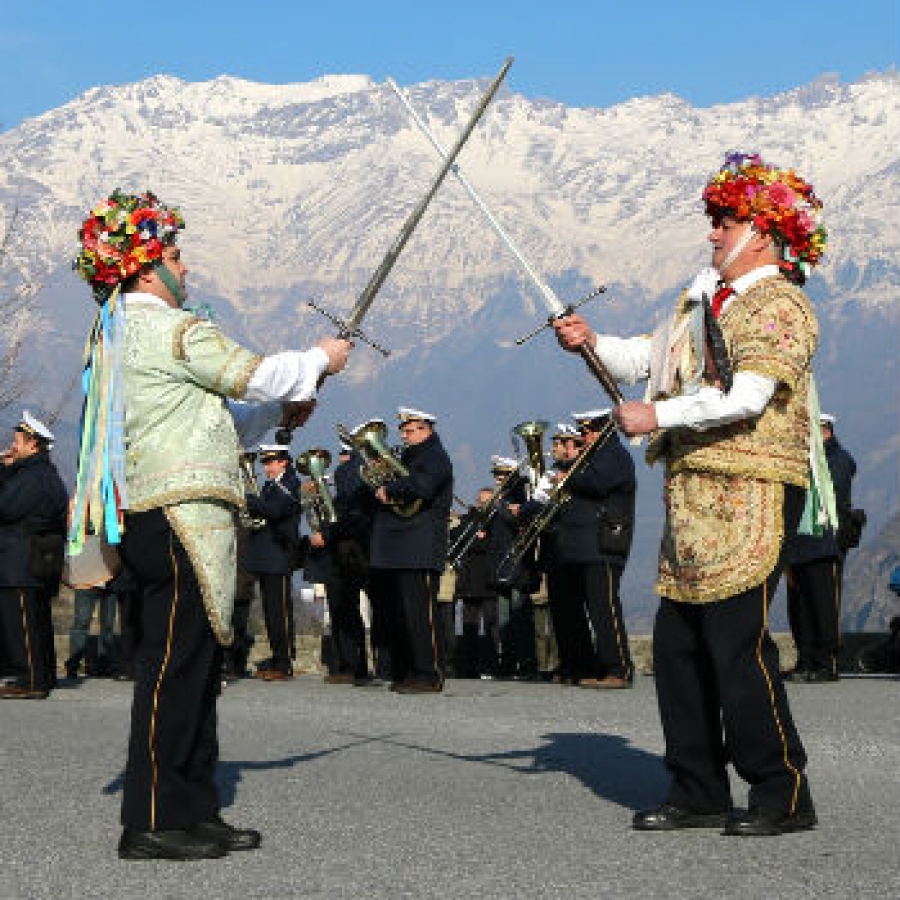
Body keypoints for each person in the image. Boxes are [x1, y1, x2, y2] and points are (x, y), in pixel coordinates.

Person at [71, 190, 351, 860]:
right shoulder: (174, 329)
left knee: (194, 665)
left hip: (155, 518)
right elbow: (254, 375)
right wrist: (318, 360)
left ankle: (193, 806)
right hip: (179, 523)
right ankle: (153, 820)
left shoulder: (118, 337)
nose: (186, 267)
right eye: (175, 254)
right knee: (173, 668)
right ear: (144, 267)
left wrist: (281, 419)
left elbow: (208, 419)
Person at [554, 152, 826, 836]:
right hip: (692, 492)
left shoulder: (781, 303)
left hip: (754, 489)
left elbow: (749, 395)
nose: (712, 232)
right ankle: (698, 787)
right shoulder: (699, 301)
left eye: (725, 220)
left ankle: (781, 792)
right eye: (713, 220)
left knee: (738, 644)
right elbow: (648, 363)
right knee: (679, 647)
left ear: (761, 231)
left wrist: (658, 417)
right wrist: (589, 344)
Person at [368, 407, 453, 693]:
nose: (405, 435)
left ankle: (430, 674)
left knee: (422, 616)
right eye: (403, 431)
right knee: (403, 614)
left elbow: (424, 486)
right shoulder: (409, 456)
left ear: (427, 429)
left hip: (421, 543)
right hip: (402, 545)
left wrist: (391, 491)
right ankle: (410, 671)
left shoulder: (435, 456)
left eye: (411, 430)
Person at [559, 410, 636, 689]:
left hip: (603, 543)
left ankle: (619, 668)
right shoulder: (596, 456)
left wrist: (567, 479)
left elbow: (597, 484)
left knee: (605, 607)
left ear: (600, 430)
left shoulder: (612, 455)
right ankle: (600, 666)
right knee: (594, 607)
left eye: (587, 432)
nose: (583, 437)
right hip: (588, 544)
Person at [783, 412, 857, 682]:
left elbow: (832, 492)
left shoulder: (837, 459)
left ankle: (827, 662)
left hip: (823, 543)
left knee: (825, 605)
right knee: (799, 606)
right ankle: (806, 659)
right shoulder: (803, 460)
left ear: (825, 430)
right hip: (797, 544)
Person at [0, 412, 68, 699]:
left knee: (23, 624)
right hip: (34, 558)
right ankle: (44, 674)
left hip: (21, 558)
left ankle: (31, 679)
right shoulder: (44, 473)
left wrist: (5, 471)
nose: (12, 447)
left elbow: (5, 507)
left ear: (33, 445)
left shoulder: (32, 476)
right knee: (37, 620)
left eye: (18, 442)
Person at [309, 440, 374, 684]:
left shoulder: (352, 478)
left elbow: (349, 519)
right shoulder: (342, 492)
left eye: (344, 455)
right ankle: (346, 664)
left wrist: (326, 533)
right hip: (339, 554)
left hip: (351, 553)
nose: (340, 461)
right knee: (340, 610)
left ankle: (355, 665)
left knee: (347, 610)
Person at [243, 444, 303, 682]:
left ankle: (284, 660)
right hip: (264, 555)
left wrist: (247, 499)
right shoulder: (270, 485)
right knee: (270, 611)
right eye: (265, 463)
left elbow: (275, 510)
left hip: (278, 554)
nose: (266, 467)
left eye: (270, 463)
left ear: (283, 462)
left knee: (280, 612)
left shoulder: (290, 484)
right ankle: (277, 657)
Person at [452, 486, 501, 678]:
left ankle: (491, 666)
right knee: (469, 624)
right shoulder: (469, 520)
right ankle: (468, 667)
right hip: (470, 580)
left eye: (488, 501)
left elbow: (495, 545)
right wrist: (475, 532)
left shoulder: (498, 522)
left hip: (490, 580)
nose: (484, 504)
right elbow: (456, 537)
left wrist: (478, 541)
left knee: (491, 624)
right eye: (481, 501)